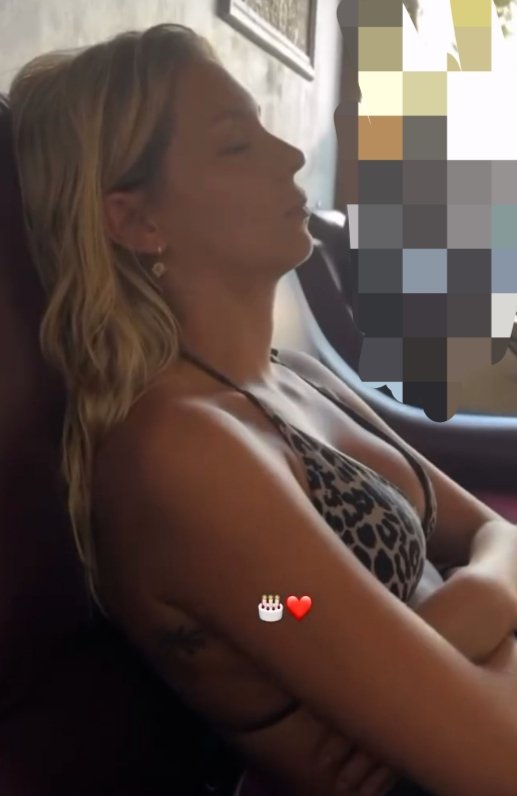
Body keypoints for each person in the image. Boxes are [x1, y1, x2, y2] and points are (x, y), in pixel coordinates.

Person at [8, 23, 517, 796]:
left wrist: (468, 607)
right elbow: (283, 610)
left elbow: (494, 532)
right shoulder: (180, 451)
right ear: (137, 221)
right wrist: (482, 601)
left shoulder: (290, 376)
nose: (290, 155)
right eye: (235, 144)